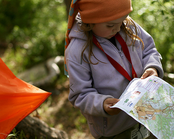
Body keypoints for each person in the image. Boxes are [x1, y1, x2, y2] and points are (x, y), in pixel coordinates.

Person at [64, 0, 164, 138]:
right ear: (91, 20)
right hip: (115, 129)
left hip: (146, 114)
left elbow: (148, 49)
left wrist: (152, 67)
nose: (117, 29)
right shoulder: (77, 52)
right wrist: (102, 104)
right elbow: (79, 95)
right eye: (110, 25)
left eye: (122, 21)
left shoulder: (129, 26)